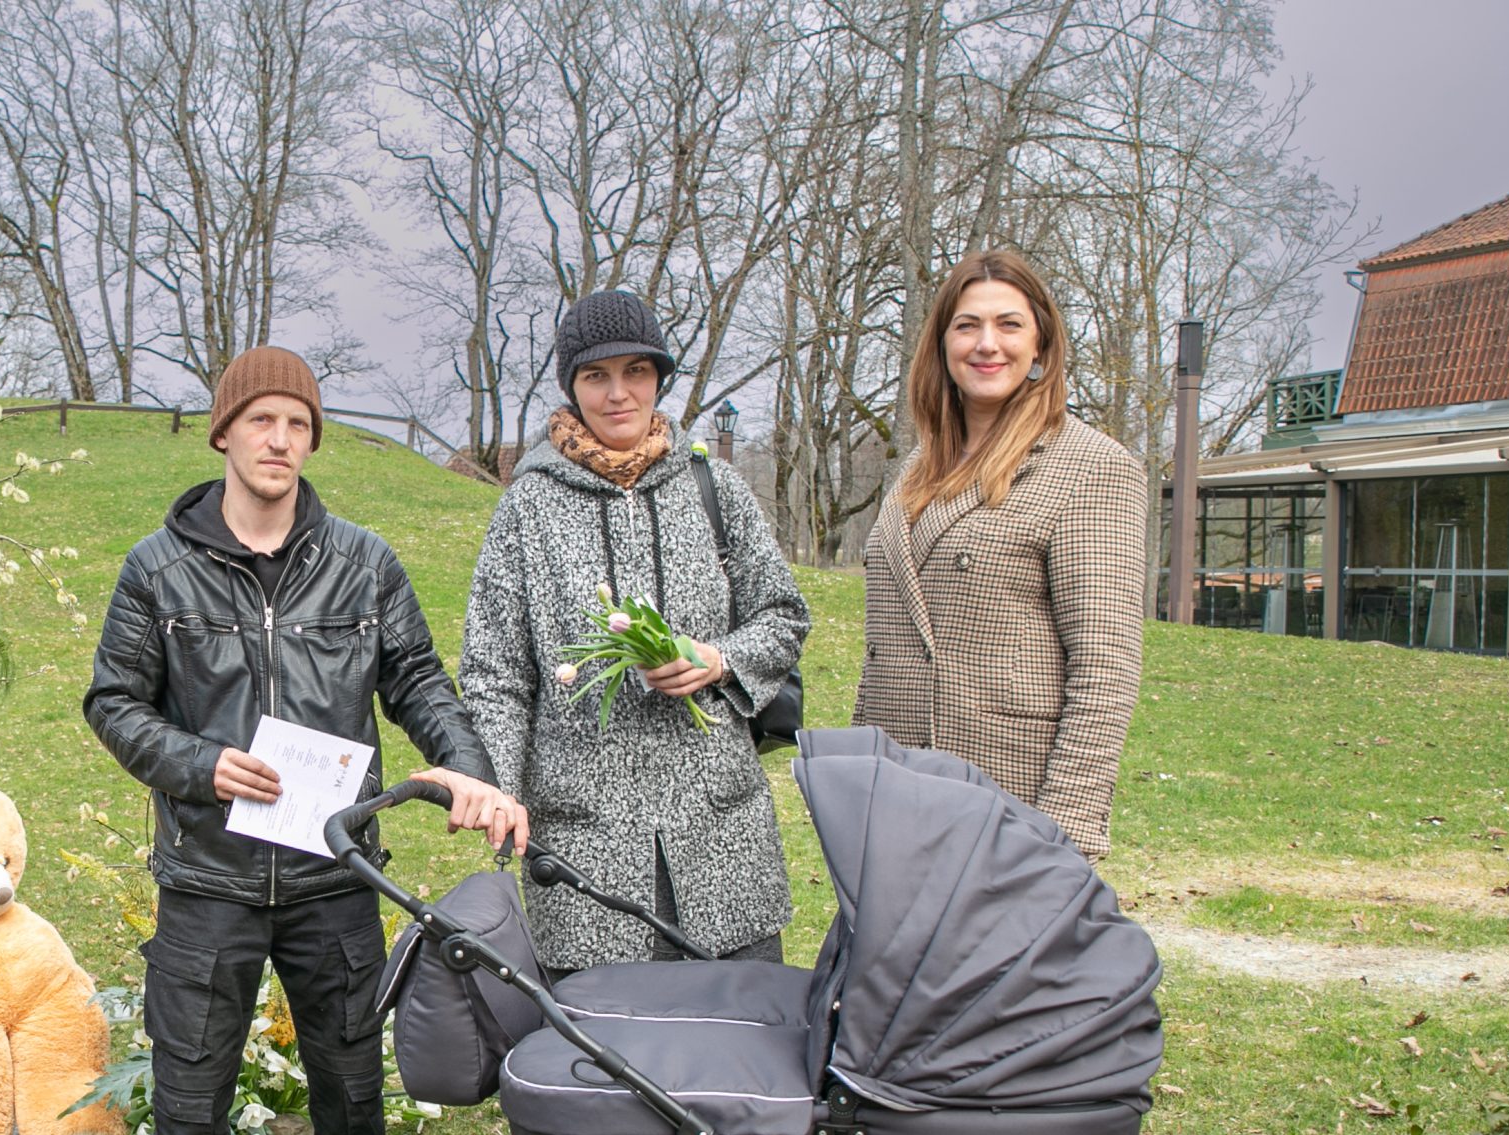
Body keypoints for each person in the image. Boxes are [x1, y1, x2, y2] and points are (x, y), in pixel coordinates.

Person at [84, 345, 529, 1135]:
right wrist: (199, 765)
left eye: (298, 424)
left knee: (351, 1086)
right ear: (225, 433)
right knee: (190, 1094)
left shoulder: (363, 563)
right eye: (262, 420)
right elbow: (113, 701)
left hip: (335, 878)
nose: (280, 440)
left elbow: (419, 682)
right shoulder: (158, 569)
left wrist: (469, 775)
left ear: (311, 439)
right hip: (209, 880)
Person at [458, 289, 809, 975]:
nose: (618, 393)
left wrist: (718, 659)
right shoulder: (528, 507)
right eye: (596, 375)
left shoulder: (712, 487)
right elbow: (495, 672)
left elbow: (783, 614)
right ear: (572, 386)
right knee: (601, 1037)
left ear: (658, 378)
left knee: (739, 1031)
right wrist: (495, 787)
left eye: (636, 371)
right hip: (586, 850)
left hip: (722, 838)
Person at [854, 250, 1147, 859]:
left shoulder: (1092, 468)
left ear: (1041, 344)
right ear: (942, 345)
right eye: (967, 325)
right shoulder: (917, 469)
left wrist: (1060, 837)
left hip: (1009, 805)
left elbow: (1104, 670)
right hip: (892, 800)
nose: (987, 343)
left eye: (1009, 324)